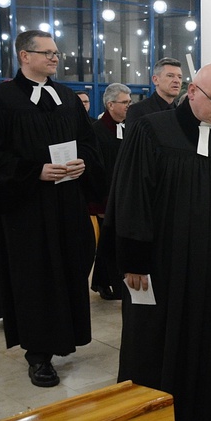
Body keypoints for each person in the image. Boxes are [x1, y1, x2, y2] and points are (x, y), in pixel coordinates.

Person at [108, 62, 211, 421]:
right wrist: (134, 259)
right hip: (162, 262)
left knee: (209, 336)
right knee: (156, 339)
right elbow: (131, 195)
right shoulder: (152, 129)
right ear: (192, 91)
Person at [0, 30, 103, 388]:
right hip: (26, 211)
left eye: (56, 52)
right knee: (34, 279)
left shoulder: (65, 97)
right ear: (24, 56)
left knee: (70, 267)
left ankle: (67, 338)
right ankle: (38, 356)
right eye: (46, 52)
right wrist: (34, 172)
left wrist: (83, 164)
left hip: (67, 204)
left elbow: (88, 141)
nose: (55, 58)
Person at [89, 83, 132, 301]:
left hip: (123, 196)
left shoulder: (127, 127)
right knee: (108, 240)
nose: (128, 106)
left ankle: (103, 281)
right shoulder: (97, 131)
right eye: (124, 102)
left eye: (129, 102)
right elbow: (98, 169)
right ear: (110, 104)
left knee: (113, 239)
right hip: (105, 196)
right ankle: (106, 282)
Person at [124, 57, 182, 133]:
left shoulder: (180, 114)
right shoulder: (138, 111)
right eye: (170, 76)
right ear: (155, 80)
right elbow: (131, 143)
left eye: (180, 77)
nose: (177, 80)